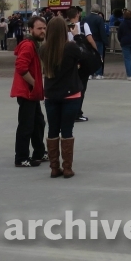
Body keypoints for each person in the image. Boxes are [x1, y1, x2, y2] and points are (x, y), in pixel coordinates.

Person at [40, 15, 99, 178]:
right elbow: (88, 57)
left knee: (52, 129)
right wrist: (78, 36)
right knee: (67, 130)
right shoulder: (71, 47)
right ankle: (67, 168)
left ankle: (54, 167)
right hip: (71, 93)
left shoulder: (44, 49)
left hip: (51, 94)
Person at [10, 15, 47, 168]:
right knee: (26, 125)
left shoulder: (34, 45)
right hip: (27, 92)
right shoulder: (28, 45)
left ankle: (39, 151)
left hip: (31, 92)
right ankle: (21, 157)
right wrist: (34, 84)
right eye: (39, 29)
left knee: (38, 122)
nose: (42, 31)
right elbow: (21, 67)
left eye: (44, 28)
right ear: (31, 29)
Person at [85, 5, 107, 80]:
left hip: (87, 40)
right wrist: (105, 41)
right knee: (99, 56)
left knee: (90, 56)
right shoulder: (99, 19)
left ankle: (90, 73)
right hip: (98, 40)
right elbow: (102, 31)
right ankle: (99, 73)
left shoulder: (85, 18)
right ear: (98, 11)